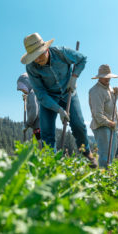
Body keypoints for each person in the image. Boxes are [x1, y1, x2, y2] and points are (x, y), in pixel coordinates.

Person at [21, 32, 97, 167]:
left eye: (40, 54)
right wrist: (59, 110)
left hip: (69, 93)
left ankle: (87, 155)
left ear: (46, 48)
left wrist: (74, 77)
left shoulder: (61, 52)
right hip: (48, 98)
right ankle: (52, 164)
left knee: (79, 125)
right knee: (46, 132)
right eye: (34, 57)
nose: (38, 59)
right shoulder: (31, 68)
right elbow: (41, 95)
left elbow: (82, 59)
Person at [88, 64, 118, 168]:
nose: (107, 78)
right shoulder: (95, 91)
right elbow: (97, 114)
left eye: (109, 76)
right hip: (101, 126)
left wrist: (116, 94)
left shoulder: (109, 88)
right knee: (105, 155)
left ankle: (108, 176)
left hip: (112, 125)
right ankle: (103, 178)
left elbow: (111, 105)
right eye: (105, 76)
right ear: (99, 77)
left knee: (111, 154)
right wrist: (109, 122)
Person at [17, 73, 41, 141]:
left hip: (38, 127)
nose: (23, 91)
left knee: (41, 147)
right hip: (42, 125)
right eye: (21, 90)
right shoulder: (36, 91)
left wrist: (27, 125)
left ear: (28, 84)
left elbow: (33, 112)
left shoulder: (32, 93)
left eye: (23, 88)